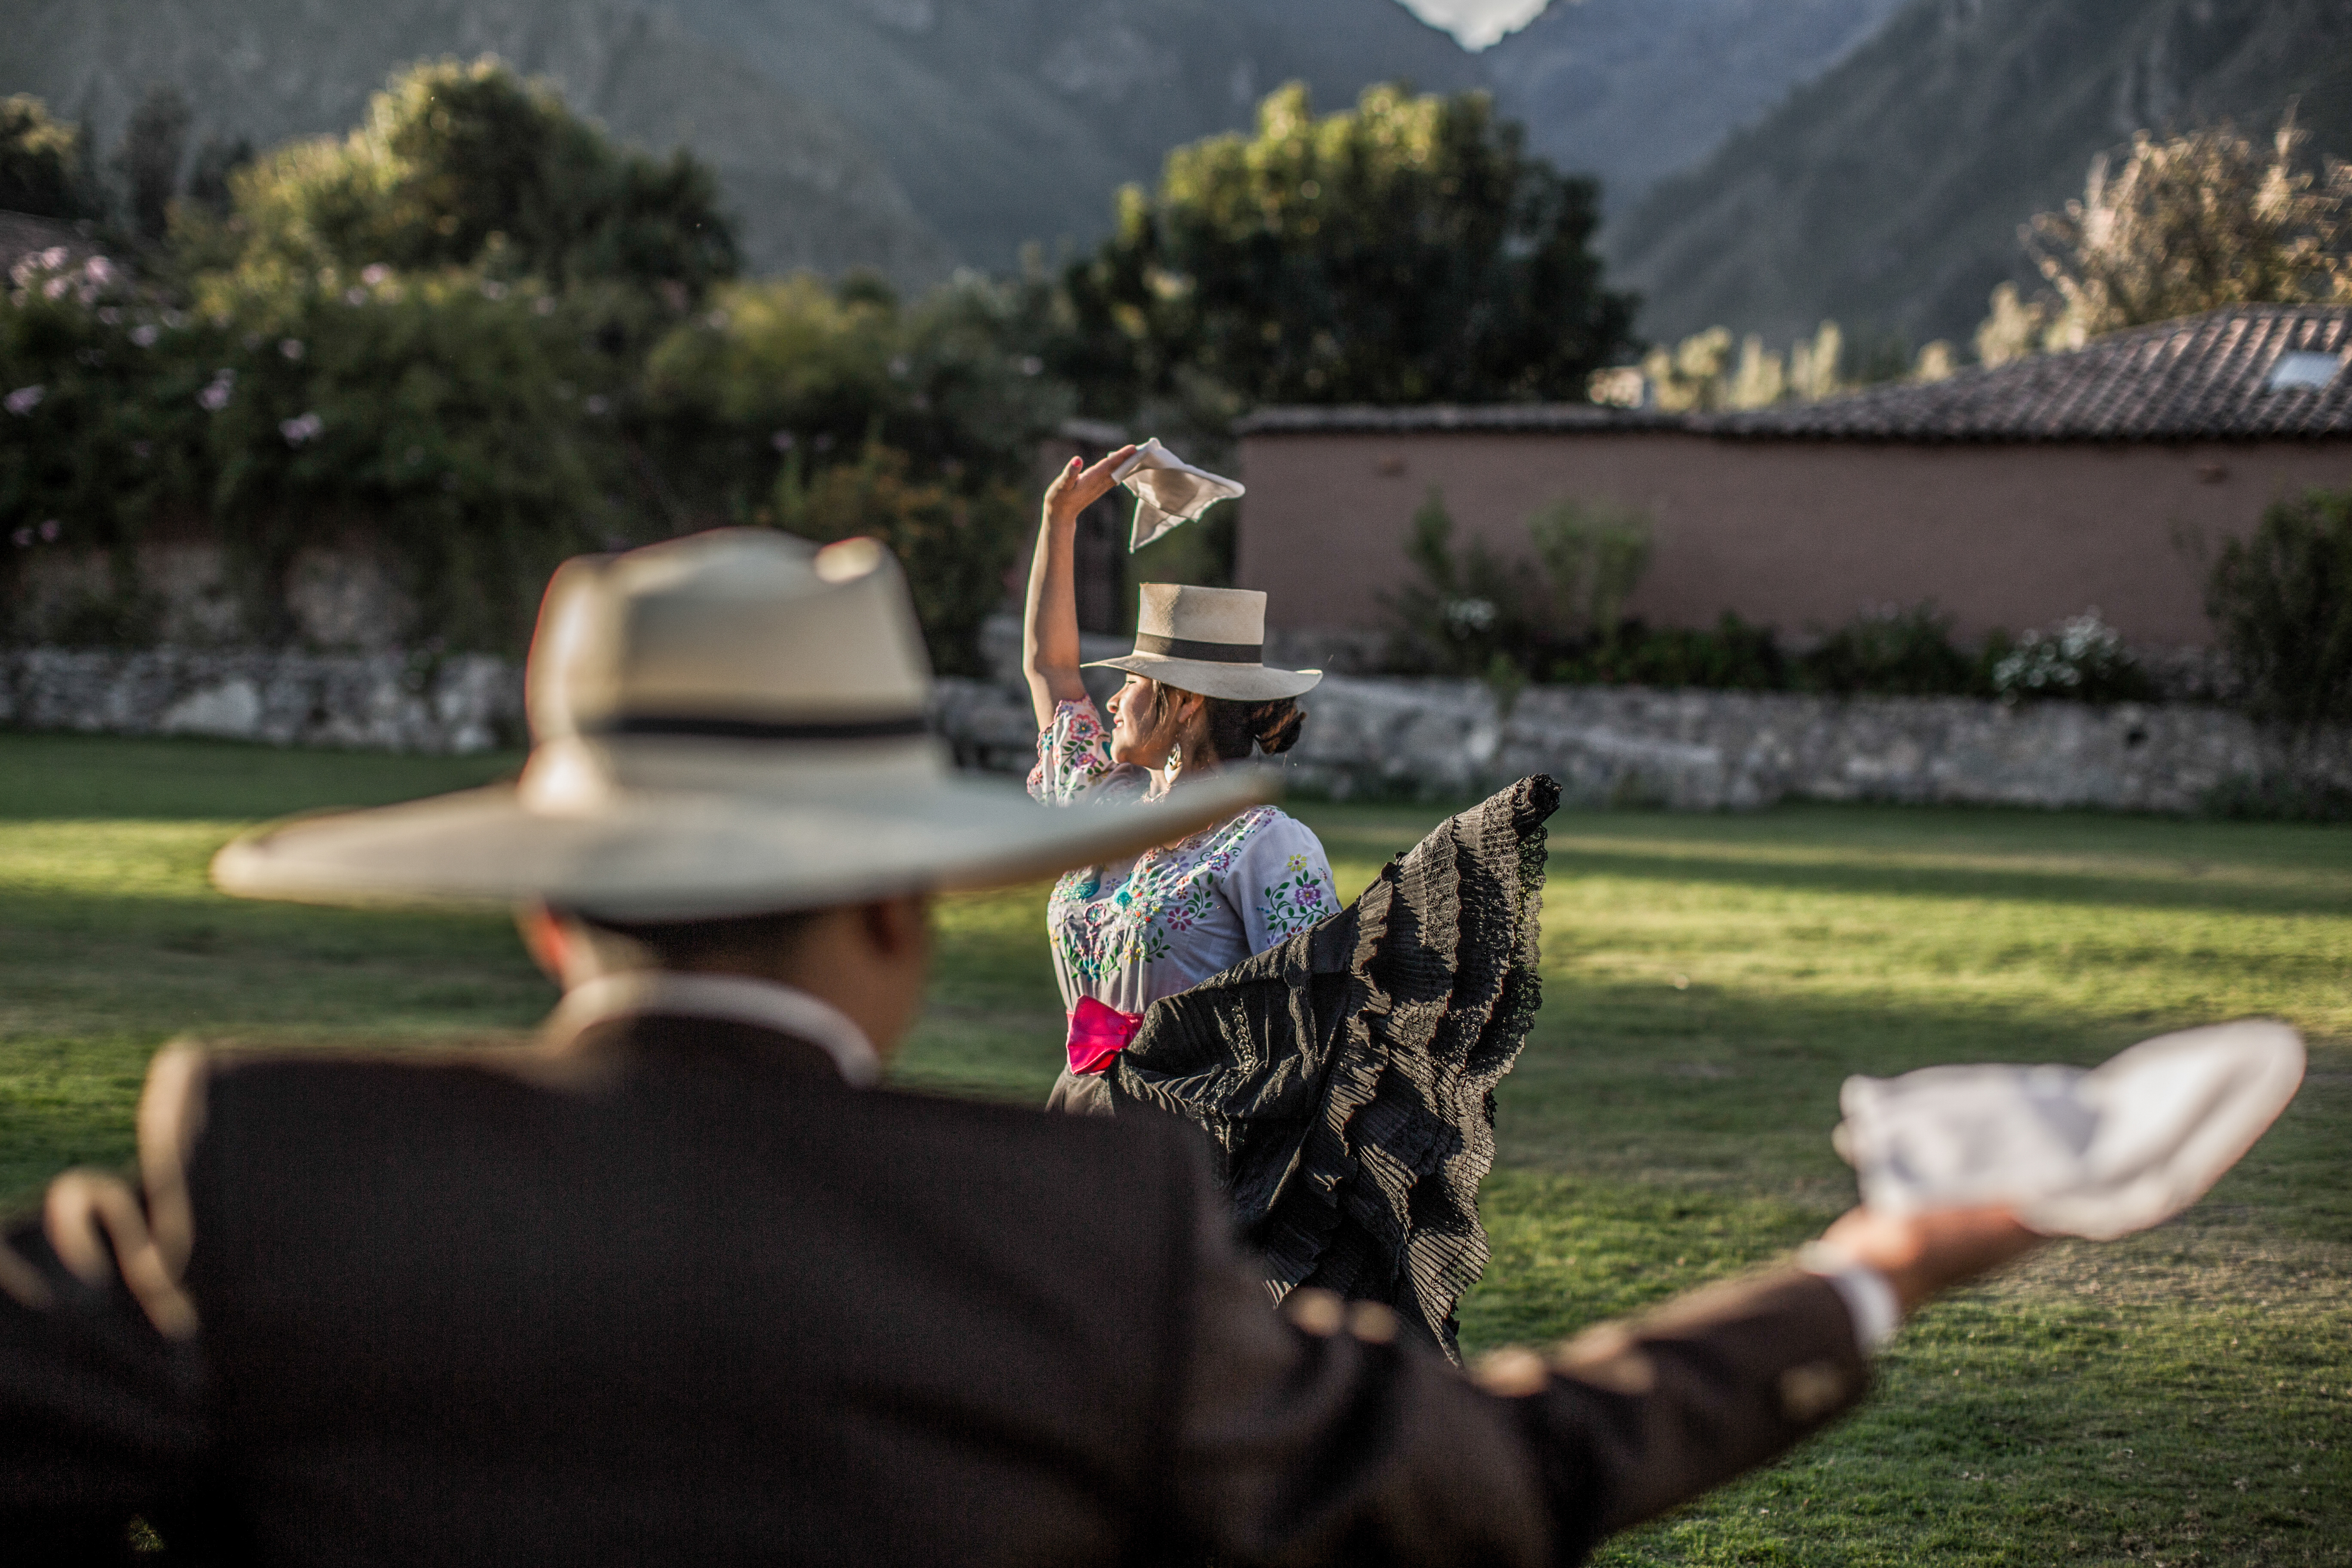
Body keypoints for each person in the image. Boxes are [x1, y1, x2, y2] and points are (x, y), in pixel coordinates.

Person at [0, 527, 2051, 1568]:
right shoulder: (1081, 1244)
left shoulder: (258, 1172)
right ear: (907, 905)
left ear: (547, 903)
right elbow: (1506, 1468)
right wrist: (1871, 1265)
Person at [1022, 445, 1339, 1115]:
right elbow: (1051, 670)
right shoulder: (1104, 803)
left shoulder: (1265, 846)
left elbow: (1314, 1027)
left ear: (1185, 699)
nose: (1112, 701)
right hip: (1078, 1115)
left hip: (1189, 1139)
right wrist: (1059, 519)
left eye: (1131, 682)